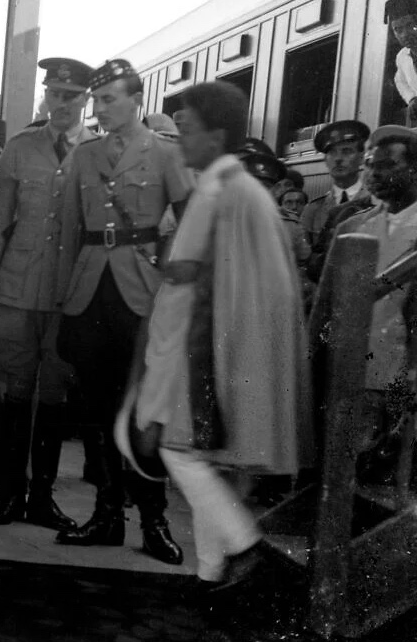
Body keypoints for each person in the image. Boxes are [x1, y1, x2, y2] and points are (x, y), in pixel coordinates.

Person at [120, 81, 310, 589]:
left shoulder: (216, 188)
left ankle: (245, 546)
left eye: (187, 130)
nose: (180, 141)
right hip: (235, 351)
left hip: (205, 352)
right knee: (212, 466)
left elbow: (185, 283)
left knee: (179, 450)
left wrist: (160, 363)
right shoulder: (242, 187)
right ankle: (209, 572)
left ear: (215, 134)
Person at [54, 59, 191, 565]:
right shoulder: (84, 157)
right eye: (98, 100)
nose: (100, 108)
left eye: (109, 98)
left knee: (143, 412)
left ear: (136, 98)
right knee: (97, 410)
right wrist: (62, 298)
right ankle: (107, 516)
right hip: (90, 292)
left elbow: (193, 224)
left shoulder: (163, 152)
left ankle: (153, 522)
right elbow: (69, 231)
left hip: (142, 294)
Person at [0, 57, 93, 532]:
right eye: (55, 93)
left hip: (71, 294)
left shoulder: (100, 152)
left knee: (53, 395)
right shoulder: (20, 148)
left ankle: (42, 499)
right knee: (15, 391)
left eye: (72, 95)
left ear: (86, 100)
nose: (62, 103)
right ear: (45, 96)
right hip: (18, 288)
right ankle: (9, 495)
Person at [311, 124, 417, 488]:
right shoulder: (353, 226)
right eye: (370, 163)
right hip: (353, 376)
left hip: (402, 378)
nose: (372, 173)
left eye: (386, 165)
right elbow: (326, 307)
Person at [300, 120, 370, 247]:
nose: (338, 159)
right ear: (325, 161)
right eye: (332, 152)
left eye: (347, 151)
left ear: (361, 158)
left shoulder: (375, 203)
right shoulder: (313, 210)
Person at [386, 0, 417, 126]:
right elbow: (400, 80)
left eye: (411, 25)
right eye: (398, 30)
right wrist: (411, 98)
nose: (405, 34)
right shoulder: (402, 56)